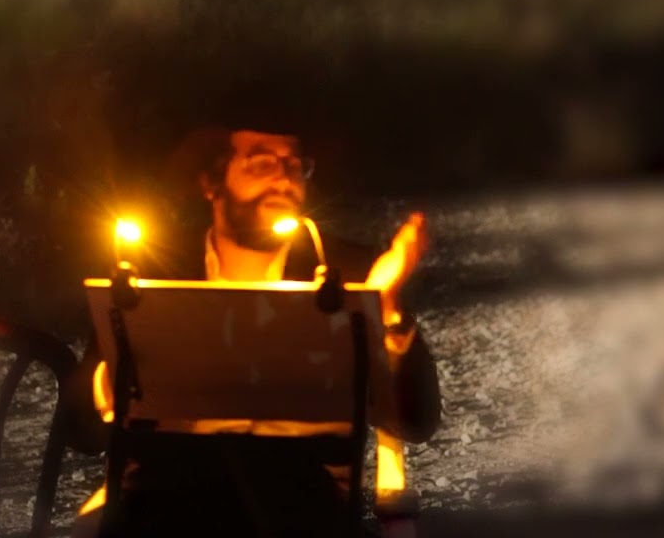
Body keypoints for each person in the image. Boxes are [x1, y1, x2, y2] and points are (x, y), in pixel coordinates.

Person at [63, 123, 442, 538]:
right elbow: (82, 429)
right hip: (166, 503)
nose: (283, 180)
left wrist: (388, 313)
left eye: (295, 166)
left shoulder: (346, 272)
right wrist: (114, 380)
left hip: (302, 508)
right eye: (262, 164)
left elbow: (417, 421)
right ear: (212, 182)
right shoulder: (153, 272)